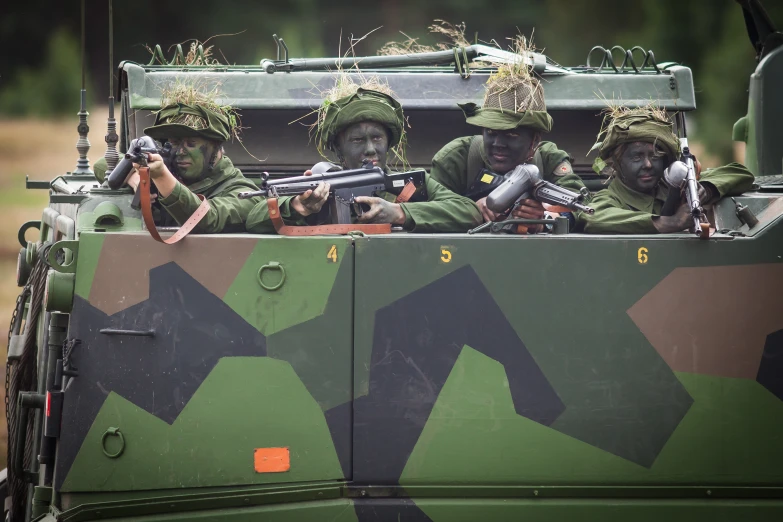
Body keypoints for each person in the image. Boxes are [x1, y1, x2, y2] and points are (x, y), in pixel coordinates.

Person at [245, 86, 481, 233]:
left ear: (389, 143)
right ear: (338, 149)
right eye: (357, 141)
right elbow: (253, 219)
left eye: (377, 138)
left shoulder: (411, 183)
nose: (371, 149)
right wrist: (298, 207)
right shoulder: (322, 185)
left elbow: (469, 212)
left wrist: (400, 213)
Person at [429, 63, 587, 230]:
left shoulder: (549, 159)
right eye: (491, 132)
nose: (498, 144)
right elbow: (427, 210)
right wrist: (470, 210)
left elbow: (584, 209)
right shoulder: (456, 159)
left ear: (534, 140)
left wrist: (545, 218)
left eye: (512, 135)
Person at [576, 107, 755, 234]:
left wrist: (703, 191)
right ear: (616, 163)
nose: (647, 164)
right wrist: (669, 222)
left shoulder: (672, 184)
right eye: (637, 157)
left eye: (654, 156)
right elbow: (592, 217)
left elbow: (741, 174)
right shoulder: (611, 199)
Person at [117, 87, 261, 233]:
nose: (180, 152)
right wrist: (136, 176)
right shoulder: (171, 167)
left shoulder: (245, 194)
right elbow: (104, 164)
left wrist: (161, 176)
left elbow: (209, 219)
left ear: (216, 146)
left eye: (191, 144)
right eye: (174, 142)